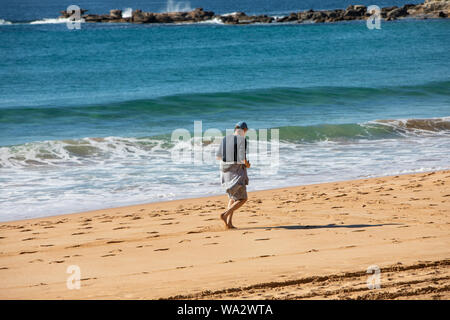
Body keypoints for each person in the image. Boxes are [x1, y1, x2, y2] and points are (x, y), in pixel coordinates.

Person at [216, 121, 251, 229]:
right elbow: (242, 158)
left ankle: (229, 223)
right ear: (244, 130)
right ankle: (225, 214)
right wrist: (247, 165)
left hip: (224, 171)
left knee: (233, 197)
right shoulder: (242, 140)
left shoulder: (225, 139)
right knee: (242, 199)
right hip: (235, 172)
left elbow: (218, 157)